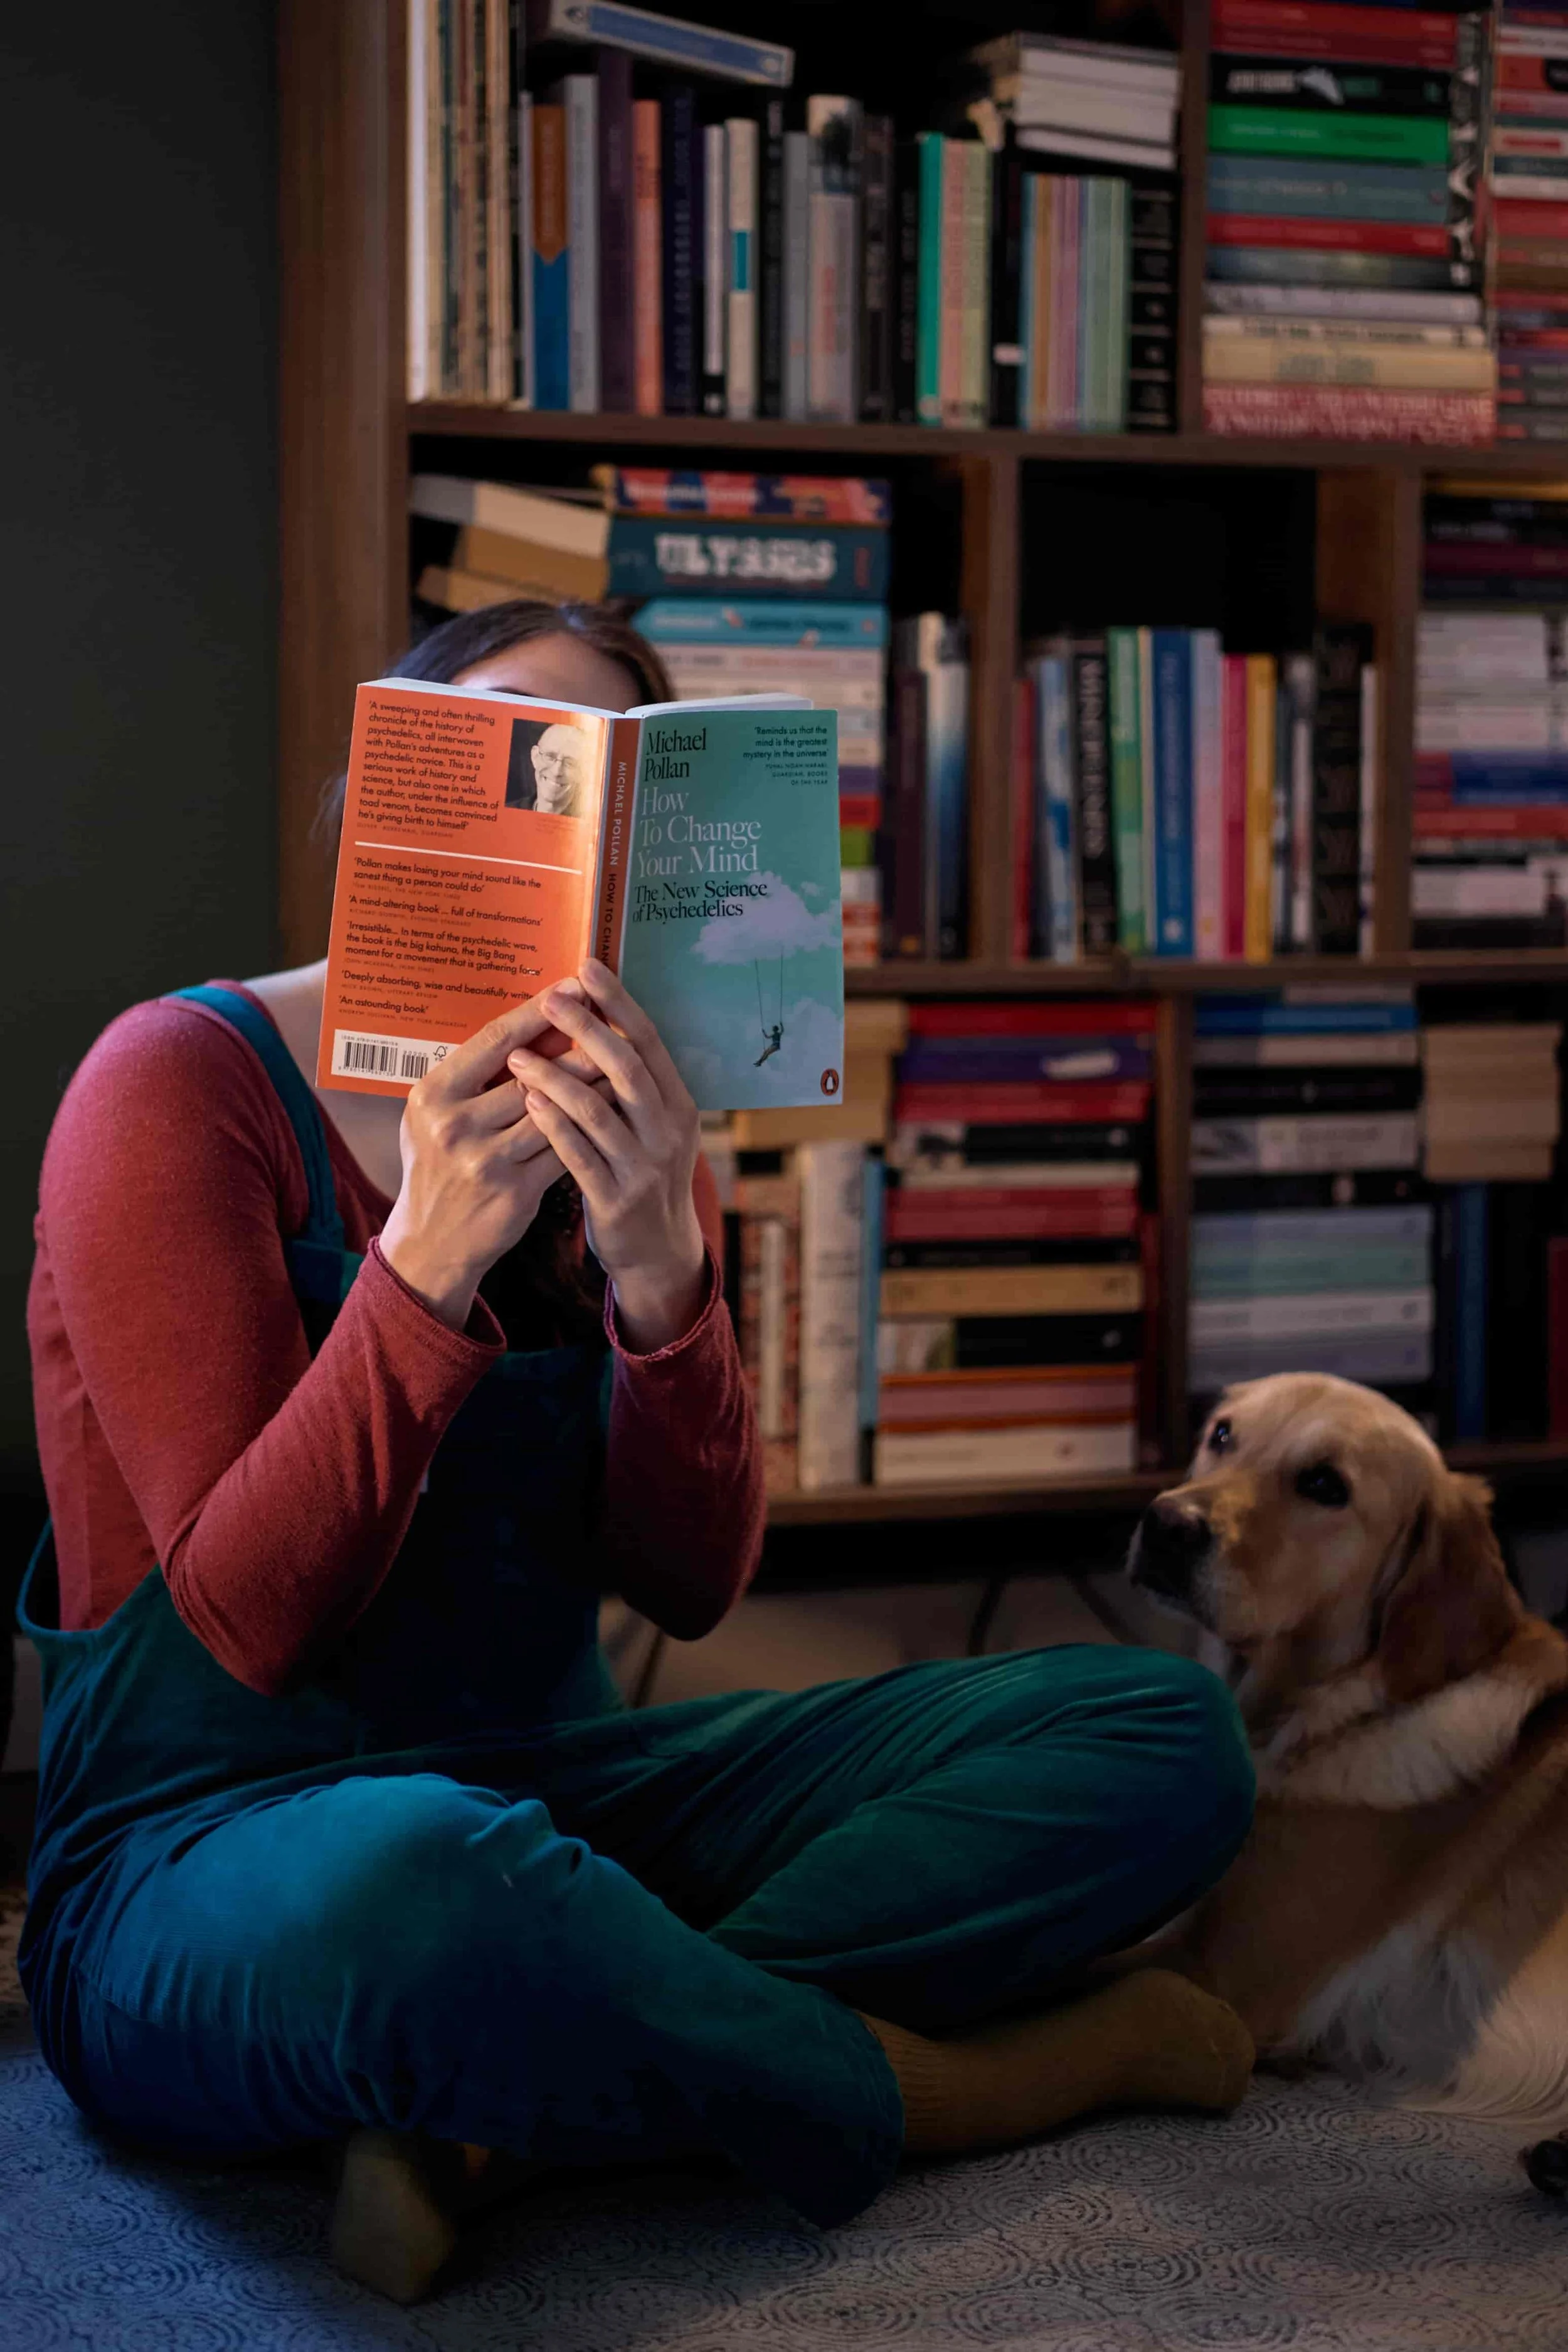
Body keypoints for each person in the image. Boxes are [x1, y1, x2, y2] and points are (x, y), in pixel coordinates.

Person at [19, 596, 1258, 2309]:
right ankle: (926, 2083)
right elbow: (247, 1622)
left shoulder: (635, 1126)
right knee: (425, 1878)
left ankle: (504, 2108)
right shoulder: (175, 1082)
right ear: (394, 792)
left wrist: (662, 1268)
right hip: (209, 1847)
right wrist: (423, 1262)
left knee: (1162, 1727)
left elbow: (687, 1576)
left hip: (564, 1808)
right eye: (512, 744)